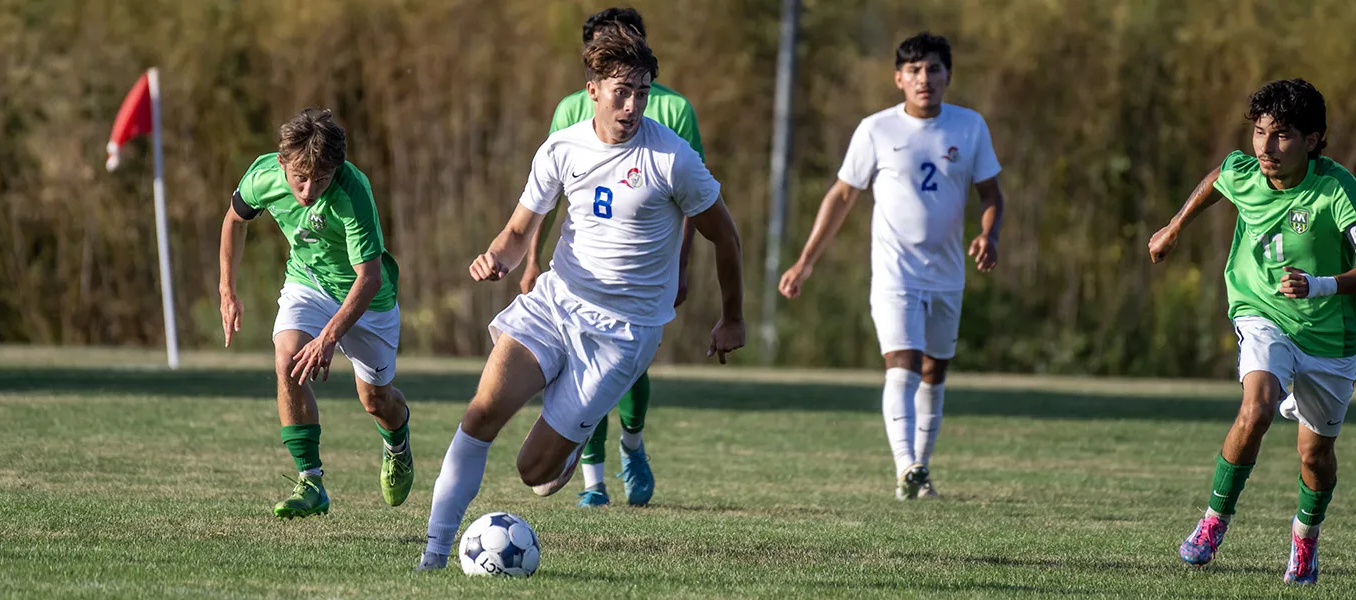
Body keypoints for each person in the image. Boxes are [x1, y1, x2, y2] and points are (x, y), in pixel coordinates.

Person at [416, 30, 745, 571]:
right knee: (481, 414)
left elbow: (725, 237)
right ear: (592, 90)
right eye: (622, 92)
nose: (632, 105)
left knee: (534, 473)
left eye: (641, 92)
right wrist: (497, 257)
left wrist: (732, 318)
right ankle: (431, 558)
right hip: (556, 302)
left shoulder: (672, 158)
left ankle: (568, 442)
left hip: (624, 332)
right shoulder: (562, 148)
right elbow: (518, 231)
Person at [1150, 79, 1356, 585]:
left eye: (1281, 135)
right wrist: (1174, 226)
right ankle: (1214, 521)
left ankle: (1305, 538)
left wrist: (1319, 284)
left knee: (1315, 455)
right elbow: (1219, 177)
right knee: (1256, 409)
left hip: (1328, 338)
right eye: (1259, 132)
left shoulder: (1336, 189)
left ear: (1313, 140)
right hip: (1261, 312)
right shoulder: (1247, 171)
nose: (1265, 146)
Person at [777, 32, 1005, 500]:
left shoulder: (969, 126)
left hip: (947, 274)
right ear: (899, 78)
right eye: (914, 70)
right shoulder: (876, 129)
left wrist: (989, 234)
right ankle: (906, 466)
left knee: (934, 371)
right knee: (902, 364)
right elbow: (842, 196)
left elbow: (991, 195)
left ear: (948, 75)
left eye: (934, 69)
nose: (925, 79)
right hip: (894, 272)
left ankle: (920, 475)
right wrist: (805, 262)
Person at [521, 6, 706, 509]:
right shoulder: (569, 110)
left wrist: (682, 265)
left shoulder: (674, 110)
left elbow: (696, 201)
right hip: (581, 271)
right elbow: (547, 196)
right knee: (577, 373)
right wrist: (532, 260)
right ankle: (593, 481)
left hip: (643, 277)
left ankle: (633, 443)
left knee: (627, 372)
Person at [217, 108, 413, 518]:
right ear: (282, 162)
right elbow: (235, 220)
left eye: (321, 179)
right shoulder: (263, 176)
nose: (309, 190)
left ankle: (397, 444)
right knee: (288, 360)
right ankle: (310, 482)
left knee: (376, 401)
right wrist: (227, 289)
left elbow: (369, 279)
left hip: (367, 298)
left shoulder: (352, 191)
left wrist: (329, 337)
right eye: (300, 178)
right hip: (308, 282)